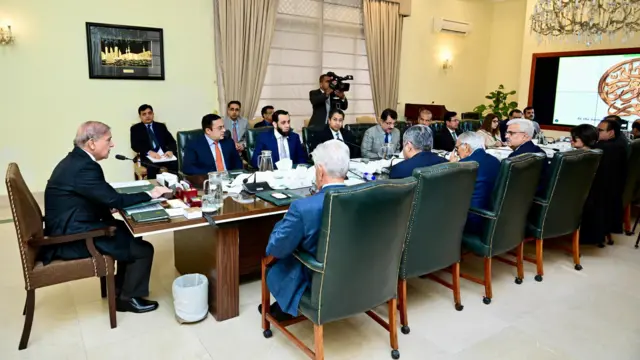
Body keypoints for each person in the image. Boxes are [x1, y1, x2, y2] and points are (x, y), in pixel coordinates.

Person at [41, 121, 170, 313]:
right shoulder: (84, 167)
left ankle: (119, 288)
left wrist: (108, 203)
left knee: (129, 232)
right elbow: (114, 199)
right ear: (92, 143)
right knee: (143, 250)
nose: (112, 144)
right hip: (71, 238)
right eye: (108, 139)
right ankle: (128, 298)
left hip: (70, 225)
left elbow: (98, 196)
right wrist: (151, 194)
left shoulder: (77, 161)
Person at [261, 140, 348, 319]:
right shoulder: (366, 195)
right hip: (356, 271)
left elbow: (275, 248)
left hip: (317, 279)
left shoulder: (303, 208)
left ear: (320, 170)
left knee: (273, 263)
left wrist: (281, 224)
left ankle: (286, 305)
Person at [449, 132, 500, 233]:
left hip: (473, 220)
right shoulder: (495, 160)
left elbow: (451, 192)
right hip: (493, 217)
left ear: (466, 147)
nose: (457, 152)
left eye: (457, 148)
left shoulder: (464, 166)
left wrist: (451, 167)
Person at [570, 124, 607, 247]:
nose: (571, 140)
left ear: (584, 139)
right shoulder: (595, 153)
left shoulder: (578, 159)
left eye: (574, 138)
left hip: (577, 201)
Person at [596, 119, 628, 241]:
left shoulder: (607, 148)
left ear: (611, 133)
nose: (597, 132)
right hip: (613, 193)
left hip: (603, 194)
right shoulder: (619, 143)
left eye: (600, 130)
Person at [129, 104, 178, 178]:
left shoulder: (161, 126)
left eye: (149, 113)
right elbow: (135, 145)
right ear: (140, 116)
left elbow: (172, 141)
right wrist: (149, 152)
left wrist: (170, 151)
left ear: (153, 114)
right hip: (148, 158)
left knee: (175, 162)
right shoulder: (135, 129)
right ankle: (154, 187)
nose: (147, 116)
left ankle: (174, 185)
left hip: (164, 156)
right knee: (152, 166)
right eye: (144, 114)